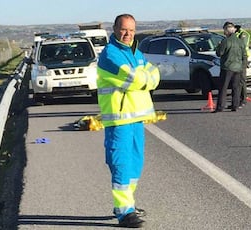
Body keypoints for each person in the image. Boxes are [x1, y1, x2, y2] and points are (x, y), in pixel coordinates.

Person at [96, 14, 160, 228]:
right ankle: (124, 212)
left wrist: (144, 77)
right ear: (114, 29)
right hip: (119, 122)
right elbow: (131, 79)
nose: (128, 34)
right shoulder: (110, 55)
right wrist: (145, 78)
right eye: (124, 29)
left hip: (136, 119)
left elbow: (154, 74)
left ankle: (128, 205)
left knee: (135, 165)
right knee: (121, 165)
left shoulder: (135, 52)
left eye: (131, 30)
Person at [213, 21, 246, 113]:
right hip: (238, 68)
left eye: (224, 30)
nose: (224, 32)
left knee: (223, 87)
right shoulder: (240, 42)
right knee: (236, 87)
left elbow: (219, 53)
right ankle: (235, 105)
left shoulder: (225, 41)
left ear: (227, 30)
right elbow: (244, 55)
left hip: (227, 67)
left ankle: (220, 106)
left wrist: (219, 46)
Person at [235, 24, 251, 107]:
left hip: (242, 58)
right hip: (237, 59)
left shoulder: (243, 34)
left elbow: (242, 46)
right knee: (237, 80)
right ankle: (237, 99)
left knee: (242, 79)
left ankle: (243, 99)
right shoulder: (236, 34)